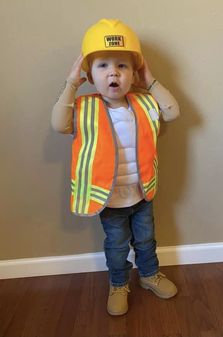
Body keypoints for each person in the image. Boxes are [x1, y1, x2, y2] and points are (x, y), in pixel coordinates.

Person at [51, 18, 180, 316]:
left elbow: (173, 113)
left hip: (142, 193)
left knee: (147, 240)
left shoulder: (144, 104)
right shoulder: (84, 108)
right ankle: (119, 283)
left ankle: (149, 275)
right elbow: (59, 124)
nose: (113, 73)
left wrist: (149, 79)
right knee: (118, 246)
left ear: (133, 73)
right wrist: (72, 82)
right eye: (103, 66)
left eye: (122, 66)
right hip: (107, 198)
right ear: (90, 75)